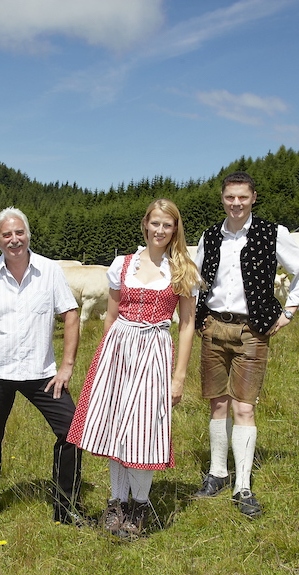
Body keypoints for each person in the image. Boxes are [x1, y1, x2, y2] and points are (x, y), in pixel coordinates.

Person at [67, 199, 200, 538]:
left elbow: (186, 325)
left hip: (155, 349)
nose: (160, 230)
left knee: (143, 429)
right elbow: (110, 317)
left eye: (167, 225)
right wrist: (102, 364)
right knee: (115, 428)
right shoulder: (122, 264)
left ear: (175, 230)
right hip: (119, 350)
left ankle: (139, 506)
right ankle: (116, 503)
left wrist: (179, 377)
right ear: (145, 224)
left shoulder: (181, 269)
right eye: (155, 223)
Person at [192, 172, 299, 518]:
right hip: (213, 326)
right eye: (230, 197)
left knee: (243, 406)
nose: (236, 203)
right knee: (217, 403)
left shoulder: (274, 233)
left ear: (253, 198)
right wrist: (196, 315)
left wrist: (290, 310)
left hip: (252, 329)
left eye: (242, 197)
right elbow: (198, 279)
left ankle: (242, 485)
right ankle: (217, 474)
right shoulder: (210, 235)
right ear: (222, 198)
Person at [0, 207, 83, 528]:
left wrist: (67, 365)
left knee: (72, 431)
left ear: (28, 234)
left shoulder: (50, 270)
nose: (14, 239)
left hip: (41, 372)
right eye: (6, 235)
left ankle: (65, 506)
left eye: (19, 233)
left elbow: (70, 314)